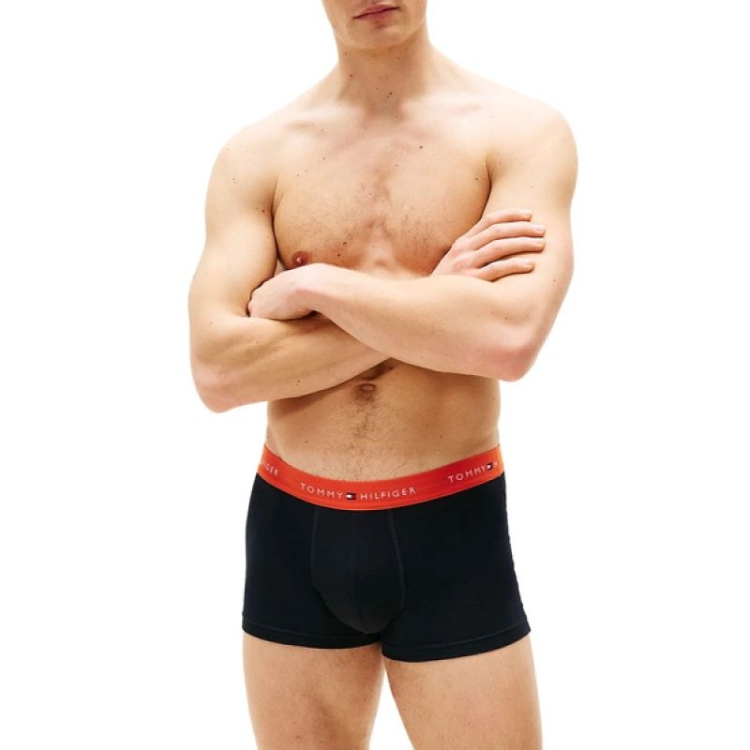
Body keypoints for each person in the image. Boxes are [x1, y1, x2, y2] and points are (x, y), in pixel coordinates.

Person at [188, 1, 577, 747]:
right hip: (293, 529)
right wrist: (436, 303)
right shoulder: (258, 155)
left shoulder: (519, 134)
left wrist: (315, 285)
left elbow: (507, 339)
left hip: (450, 526)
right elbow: (218, 371)